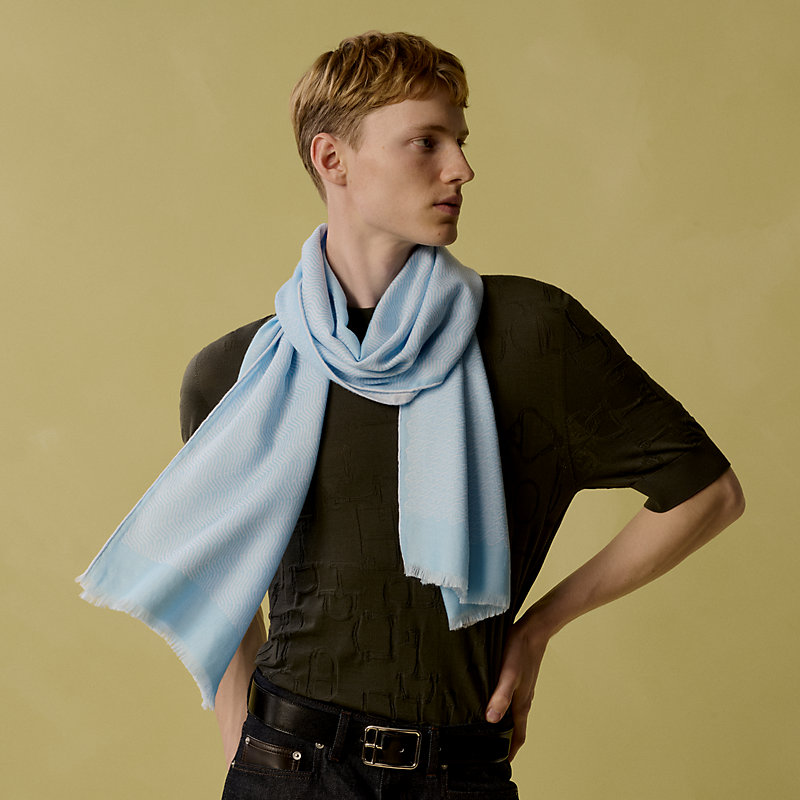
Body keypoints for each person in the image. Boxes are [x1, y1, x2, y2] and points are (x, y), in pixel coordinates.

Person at [80, 31, 744, 799]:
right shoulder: (235, 373)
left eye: (459, 141)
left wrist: (538, 628)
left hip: (457, 773)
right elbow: (226, 585)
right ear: (333, 159)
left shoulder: (531, 335)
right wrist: (242, 748)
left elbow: (708, 491)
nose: (461, 167)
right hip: (285, 767)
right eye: (426, 142)